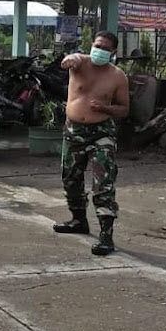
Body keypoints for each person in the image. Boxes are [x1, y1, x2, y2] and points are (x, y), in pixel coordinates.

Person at [53, 31, 130, 256]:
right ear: (91, 45)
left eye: (106, 48)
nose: (100, 51)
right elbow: (72, 59)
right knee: (70, 176)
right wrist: (70, 60)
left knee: (103, 181)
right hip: (73, 130)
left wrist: (105, 108)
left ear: (113, 52)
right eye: (98, 46)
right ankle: (78, 220)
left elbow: (124, 109)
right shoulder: (80, 63)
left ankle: (106, 234)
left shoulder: (117, 76)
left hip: (101, 133)